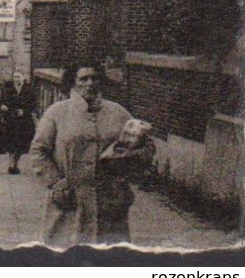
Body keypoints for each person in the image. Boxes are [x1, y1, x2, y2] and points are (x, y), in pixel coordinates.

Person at [30, 58, 155, 246]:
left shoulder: (118, 112)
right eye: (83, 79)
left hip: (110, 200)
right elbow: (39, 151)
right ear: (73, 81)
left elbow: (145, 147)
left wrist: (127, 169)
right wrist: (56, 183)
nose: (90, 83)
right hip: (70, 198)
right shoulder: (57, 113)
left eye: (95, 78)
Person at [1, 70, 36, 175]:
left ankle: (16, 163)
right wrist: (3, 106)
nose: (16, 79)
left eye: (18, 77)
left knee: (21, 143)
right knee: (11, 142)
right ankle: (11, 164)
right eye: (15, 77)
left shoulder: (29, 89)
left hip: (24, 121)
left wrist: (25, 111)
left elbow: (33, 103)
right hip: (11, 119)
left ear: (23, 77)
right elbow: (2, 100)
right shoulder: (8, 89)